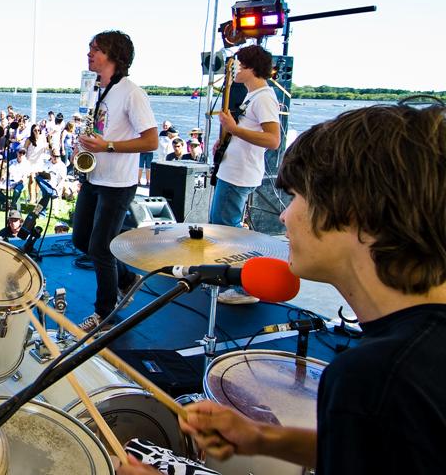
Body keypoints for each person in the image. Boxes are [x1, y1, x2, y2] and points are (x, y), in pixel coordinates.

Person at [119, 102, 446, 475]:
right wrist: (260, 438)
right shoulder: (411, 364)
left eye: (297, 198)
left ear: (354, 210)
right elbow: (378, 448)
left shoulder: (378, 379)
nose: (284, 216)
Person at [72, 30, 158, 333]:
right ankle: (125, 280)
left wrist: (107, 146)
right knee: (81, 239)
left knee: (101, 248)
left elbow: (151, 141)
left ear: (113, 55)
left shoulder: (132, 93)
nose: (89, 54)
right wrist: (83, 144)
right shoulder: (96, 89)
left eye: (95, 49)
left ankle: (104, 315)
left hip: (118, 183)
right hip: (95, 175)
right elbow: (99, 130)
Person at [209, 44, 281, 305]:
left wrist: (234, 130)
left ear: (250, 68)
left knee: (229, 231)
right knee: (223, 227)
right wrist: (227, 139)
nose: (235, 71)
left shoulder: (263, 98)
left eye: (239, 66)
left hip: (240, 174)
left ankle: (246, 286)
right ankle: (233, 279)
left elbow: (273, 140)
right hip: (233, 169)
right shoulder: (253, 96)